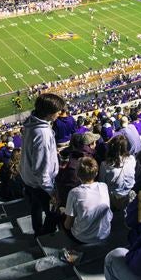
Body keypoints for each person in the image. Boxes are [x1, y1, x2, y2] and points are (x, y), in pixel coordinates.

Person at [21, 92, 66, 236]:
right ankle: (45, 236)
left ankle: (37, 230)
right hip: (40, 184)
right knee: (53, 212)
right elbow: (41, 169)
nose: (60, 113)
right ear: (48, 113)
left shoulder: (31, 123)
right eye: (57, 111)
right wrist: (52, 191)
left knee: (35, 207)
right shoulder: (43, 134)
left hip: (29, 179)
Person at [62, 157, 113, 246]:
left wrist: (64, 212)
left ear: (77, 175)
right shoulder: (103, 186)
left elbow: (68, 225)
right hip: (104, 234)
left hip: (83, 238)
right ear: (96, 173)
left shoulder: (74, 193)